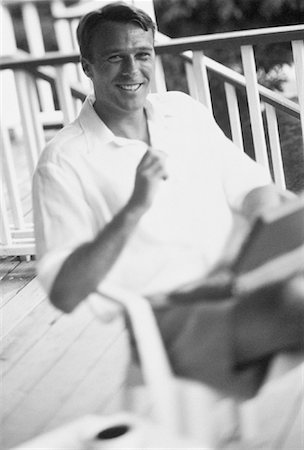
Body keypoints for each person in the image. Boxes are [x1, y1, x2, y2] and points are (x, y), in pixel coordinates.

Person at [33, 2, 304, 397]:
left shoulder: (182, 112)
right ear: (87, 66)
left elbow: (252, 186)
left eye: (142, 55)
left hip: (240, 280)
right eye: (114, 58)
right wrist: (133, 209)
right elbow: (65, 292)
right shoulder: (63, 161)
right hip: (170, 319)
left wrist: (257, 243)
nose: (132, 71)